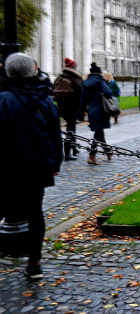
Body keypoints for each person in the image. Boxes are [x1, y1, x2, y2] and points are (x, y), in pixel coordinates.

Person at [0, 53, 62, 280]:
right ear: (33, 71)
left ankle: (32, 260)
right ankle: (35, 262)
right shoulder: (45, 98)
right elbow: (56, 136)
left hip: (10, 167)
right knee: (35, 212)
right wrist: (56, 162)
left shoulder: (4, 99)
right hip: (38, 165)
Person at [81, 63, 113, 165]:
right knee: (98, 132)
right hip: (101, 109)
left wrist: (81, 112)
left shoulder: (85, 83)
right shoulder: (100, 82)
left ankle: (107, 151)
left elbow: (82, 100)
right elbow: (108, 93)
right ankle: (92, 156)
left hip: (91, 110)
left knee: (99, 132)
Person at [53, 58, 84, 161]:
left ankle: (73, 147)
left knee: (69, 127)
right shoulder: (76, 78)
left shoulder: (59, 78)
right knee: (71, 128)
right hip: (72, 106)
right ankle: (68, 152)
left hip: (61, 106)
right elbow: (80, 94)